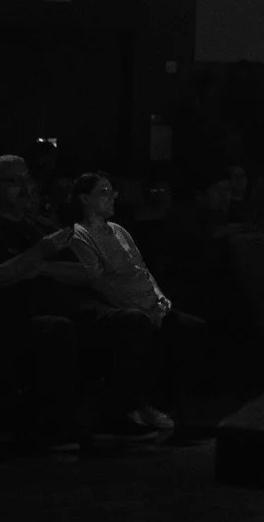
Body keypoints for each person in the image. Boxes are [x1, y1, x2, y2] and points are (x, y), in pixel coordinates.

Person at [0, 154, 158, 449]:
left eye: (26, 179)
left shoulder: (43, 226)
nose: (24, 188)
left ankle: (114, 416)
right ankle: (52, 426)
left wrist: (43, 267)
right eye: (14, 182)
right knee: (56, 329)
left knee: (131, 321)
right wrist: (33, 258)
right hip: (13, 317)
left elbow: (86, 272)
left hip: (65, 306)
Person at [68, 173, 192, 436]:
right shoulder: (79, 236)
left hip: (147, 301)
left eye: (113, 191)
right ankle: (130, 406)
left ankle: (167, 405)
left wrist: (160, 297)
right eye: (104, 192)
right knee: (139, 326)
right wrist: (145, 308)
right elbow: (100, 284)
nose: (112, 196)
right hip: (124, 305)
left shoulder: (119, 230)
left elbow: (142, 269)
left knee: (188, 327)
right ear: (85, 199)